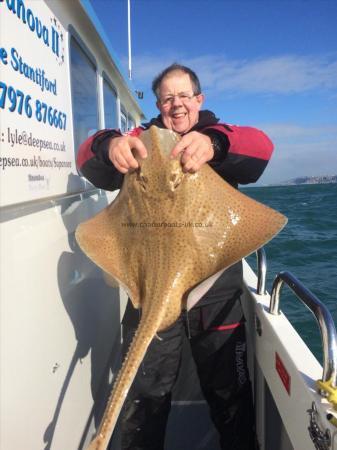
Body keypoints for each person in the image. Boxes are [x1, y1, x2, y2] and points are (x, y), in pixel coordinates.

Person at [77, 64, 274, 450]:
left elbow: (261, 146)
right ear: (158, 105)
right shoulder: (140, 143)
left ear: (199, 100)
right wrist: (110, 145)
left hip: (213, 292)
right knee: (145, 402)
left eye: (184, 96)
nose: (177, 105)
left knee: (231, 399)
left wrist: (214, 145)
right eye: (168, 98)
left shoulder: (221, 138)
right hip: (150, 289)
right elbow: (87, 156)